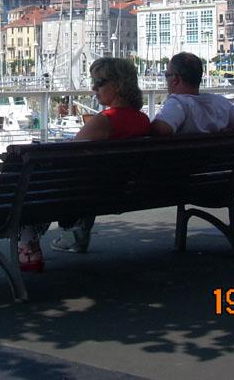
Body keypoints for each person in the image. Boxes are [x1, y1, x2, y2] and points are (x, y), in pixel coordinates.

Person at [18, 57, 151, 272]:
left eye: (99, 83)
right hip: (119, 192)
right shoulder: (143, 120)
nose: (93, 88)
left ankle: (28, 246)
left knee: (32, 184)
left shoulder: (104, 121)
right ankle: (73, 236)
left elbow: (68, 155)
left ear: (117, 85)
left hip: (85, 194)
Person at [150, 52, 234, 136]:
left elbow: (160, 129)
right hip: (218, 163)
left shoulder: (178, 104)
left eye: (166, 75)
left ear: (175, 79)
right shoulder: (220, 103)